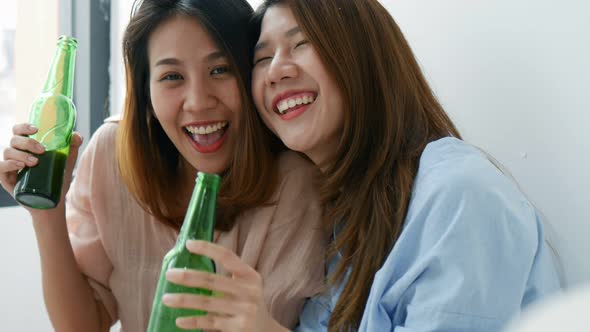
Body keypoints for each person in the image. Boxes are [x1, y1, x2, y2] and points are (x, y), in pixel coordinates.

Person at [167, 0, 561, 331]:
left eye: (301, 43)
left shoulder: (460, 195)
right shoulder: (341, 219)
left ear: (363, 56)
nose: (276, 70)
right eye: (263, 57)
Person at [0, 0, 327, 331]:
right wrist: (47, 216)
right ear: (146, 94)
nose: (198, 101)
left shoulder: (296, 183)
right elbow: (84, 325)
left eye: (220, 69)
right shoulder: (111, 155)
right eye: (172, 76)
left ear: (248, 73)